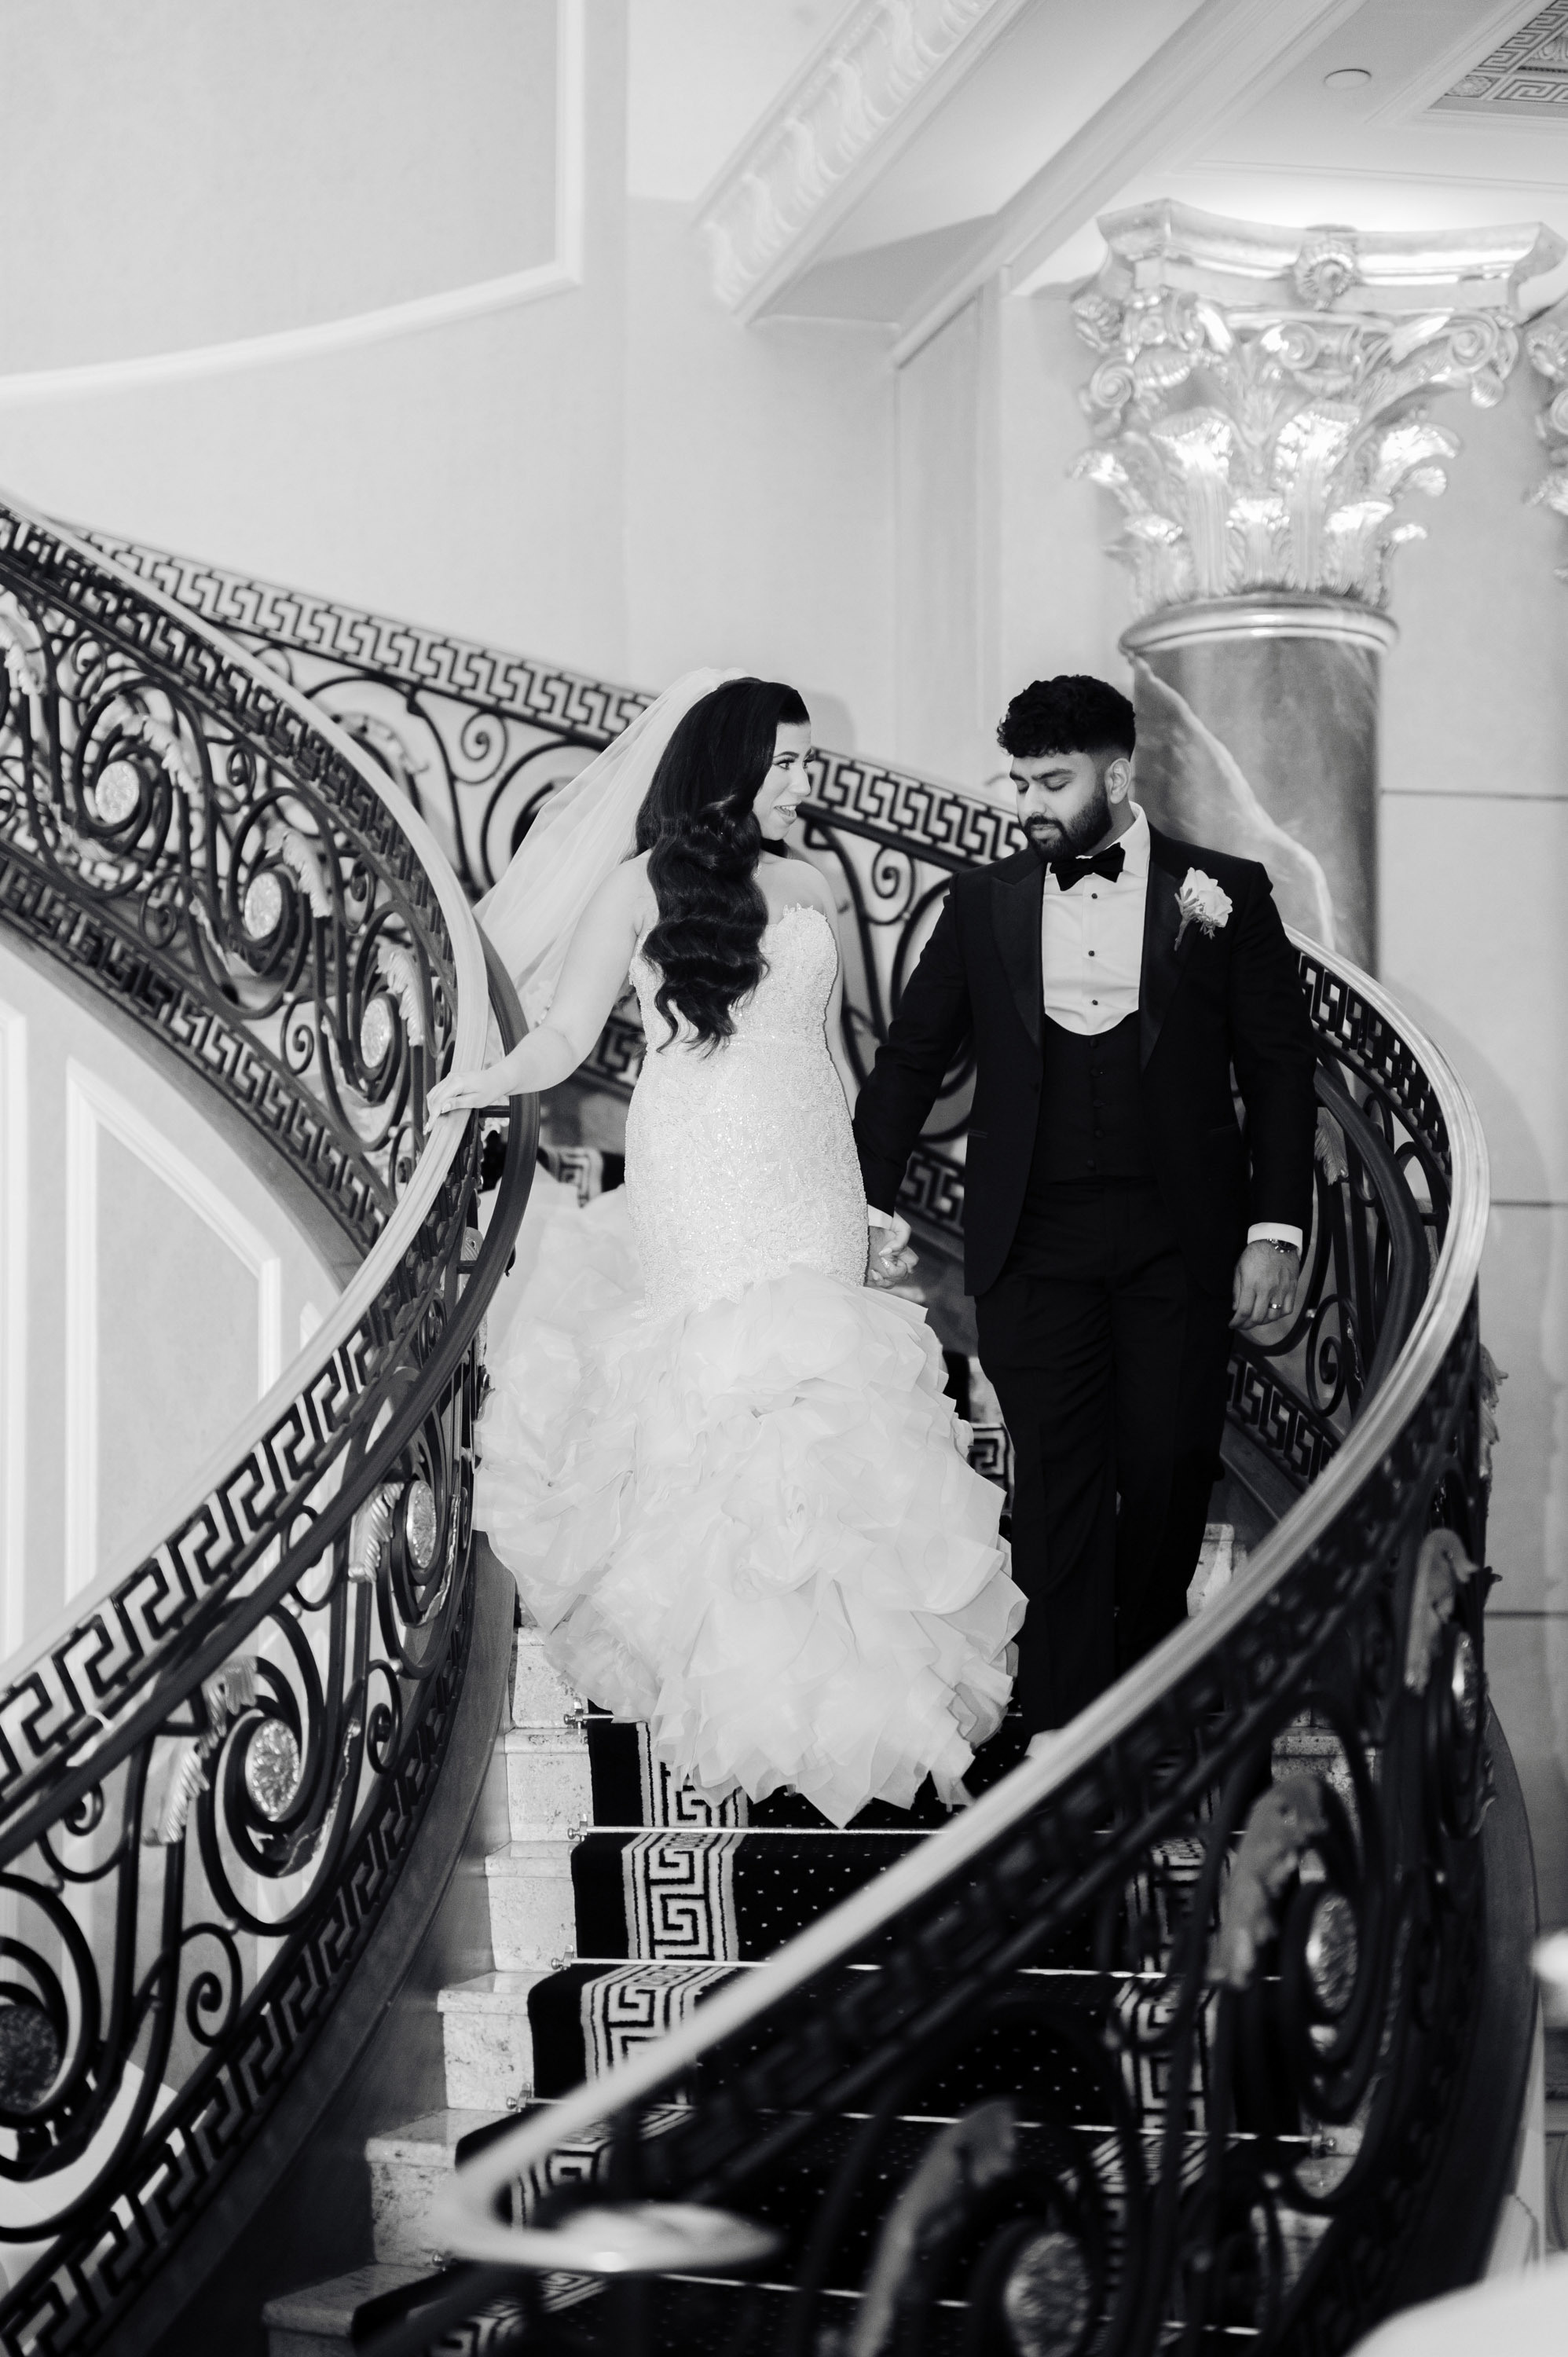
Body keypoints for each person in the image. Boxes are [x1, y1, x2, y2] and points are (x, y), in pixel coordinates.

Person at [429, 673, 1024, 1828]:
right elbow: (562, 1029)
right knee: (728, 1394)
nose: (811, 783)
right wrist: (492, 1079)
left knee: (832, 1400)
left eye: (812, 762)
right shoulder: (636, 886)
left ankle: (856, 1702)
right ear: (733, 767)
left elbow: (832, 1050)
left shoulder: (811, 883)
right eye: (791, 763)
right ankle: (741, 1696)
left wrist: (858, 1198)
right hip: (698, 1156)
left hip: (808, 1160)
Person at [852, 675, 1317, 1739]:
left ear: (1118, 774)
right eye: (1019, 782)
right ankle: (1067, 1734)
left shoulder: (1229, 891)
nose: (1029, 804)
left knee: (1165, 1468)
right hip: (1033, 1239)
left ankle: (1146, 1694)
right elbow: (910, 1066)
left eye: (1051, 782)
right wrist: (855, 1209)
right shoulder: (983, 905)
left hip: (1181, 1241)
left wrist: (1274, 1229)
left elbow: (1280, 1070)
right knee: (1059, 1484)